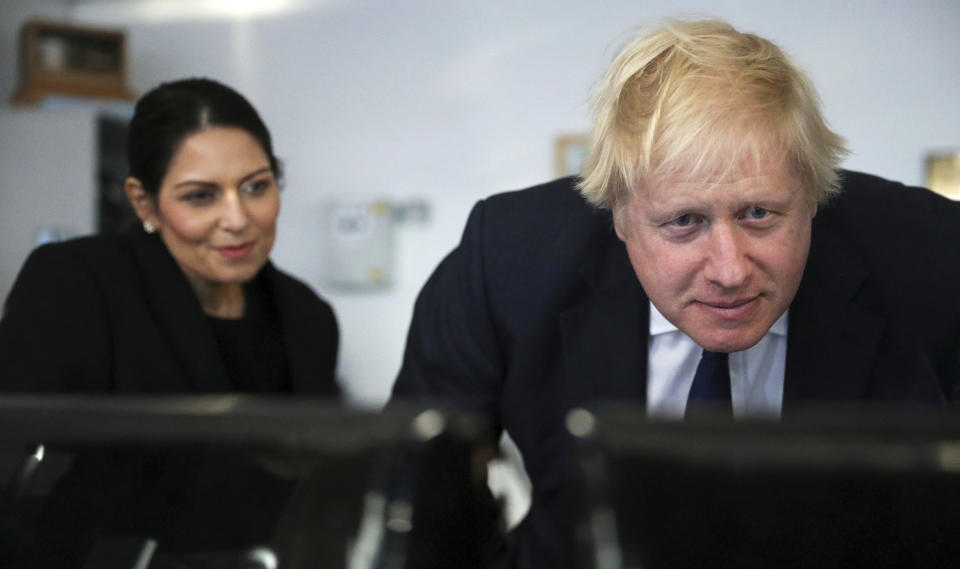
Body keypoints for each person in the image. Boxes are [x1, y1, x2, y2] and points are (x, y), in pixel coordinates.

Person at [391, 19, 960, 568]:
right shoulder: (508, 264)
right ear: (618, 214)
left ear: (811, 195)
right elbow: (408, 487)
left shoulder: (935, 257)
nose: (730, 270)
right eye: (685, 221)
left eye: (759, 214)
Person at [0, 78, 339, 565]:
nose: (237, 218)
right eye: (201, 196)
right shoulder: (79, 283)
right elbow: (18, 475)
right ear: (144, 203)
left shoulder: (307, 316)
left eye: (256, 186)